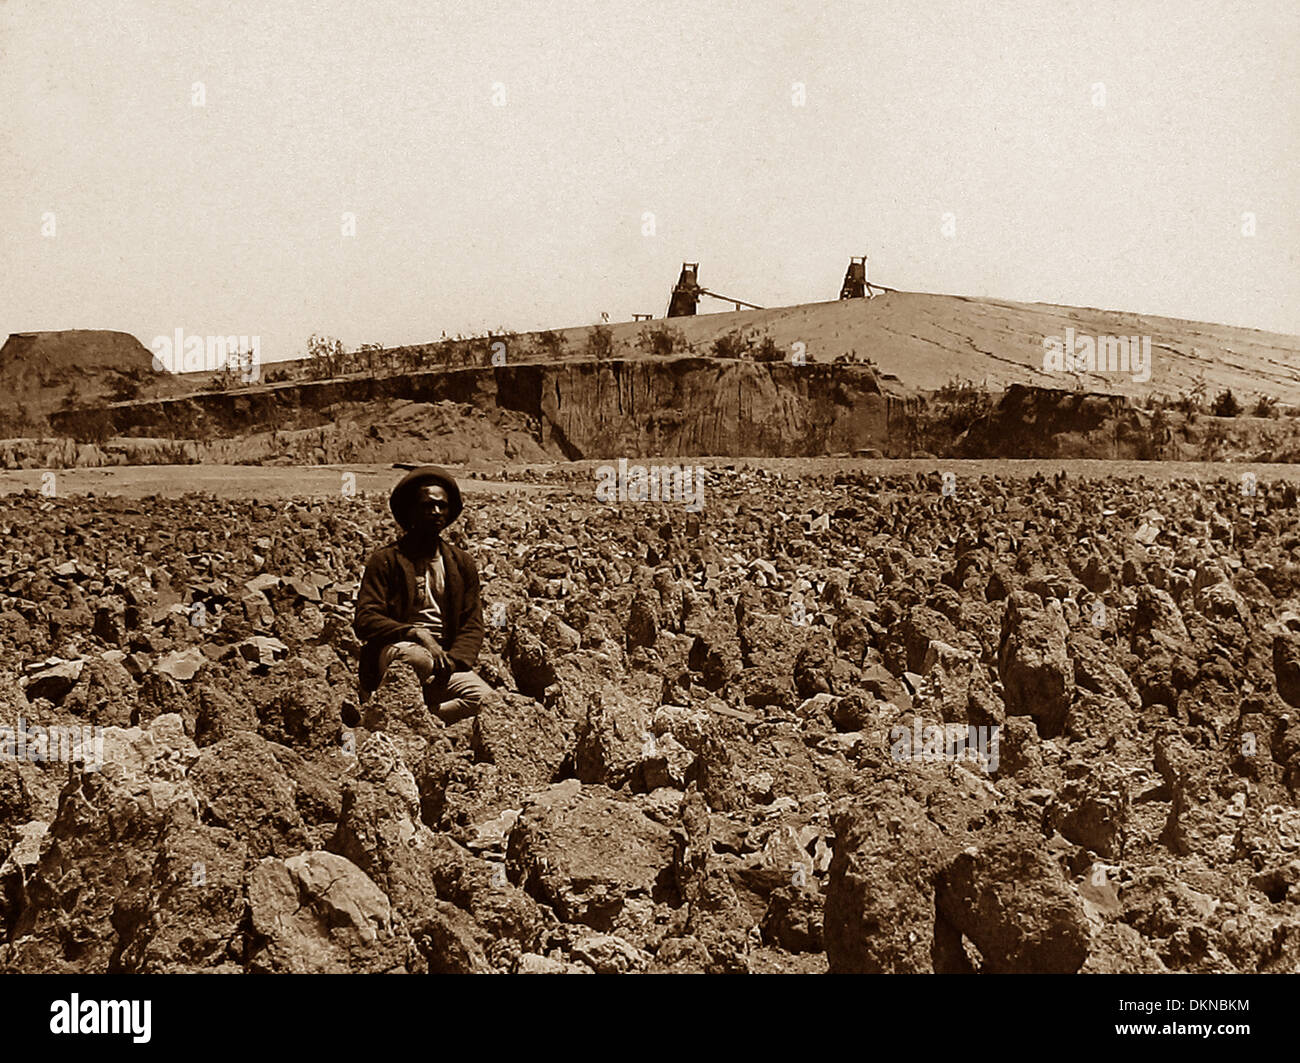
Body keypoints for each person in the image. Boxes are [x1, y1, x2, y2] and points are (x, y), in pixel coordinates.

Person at [352, 465, 490, 721]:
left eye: (442, 506)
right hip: (400, 650)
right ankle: (394, 710)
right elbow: (366, 619)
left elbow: (473, 624)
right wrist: (416, 633)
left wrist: (454, 661)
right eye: (428, 505)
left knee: (488, 702)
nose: (436, 512)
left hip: (443, 659)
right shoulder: (386, 560)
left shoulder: (461, 563)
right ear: (411, 511)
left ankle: (418, 718)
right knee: (416, 658)